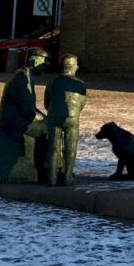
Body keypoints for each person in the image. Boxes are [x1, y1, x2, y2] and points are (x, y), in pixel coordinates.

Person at [0, 48, 48, 182]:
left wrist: (44, 117)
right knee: (50, 130)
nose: (45, 67)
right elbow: (27, 110)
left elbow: (29, 106)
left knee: (47, 126)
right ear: (35, 61)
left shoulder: (24, 75)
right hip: (14, 124)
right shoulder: (23, 78)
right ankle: (46, 171)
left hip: (14, 120)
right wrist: (44, 121)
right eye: (44, 63)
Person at [44, 53, 87, 186]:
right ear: (75, 67)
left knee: (53, 148)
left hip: (54, 115)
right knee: (70, 147)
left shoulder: (52, 82)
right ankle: (68, 176)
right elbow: (81, 103)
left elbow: (47, 102)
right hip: (72, 117)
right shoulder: (80, 84)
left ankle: (52, 177)